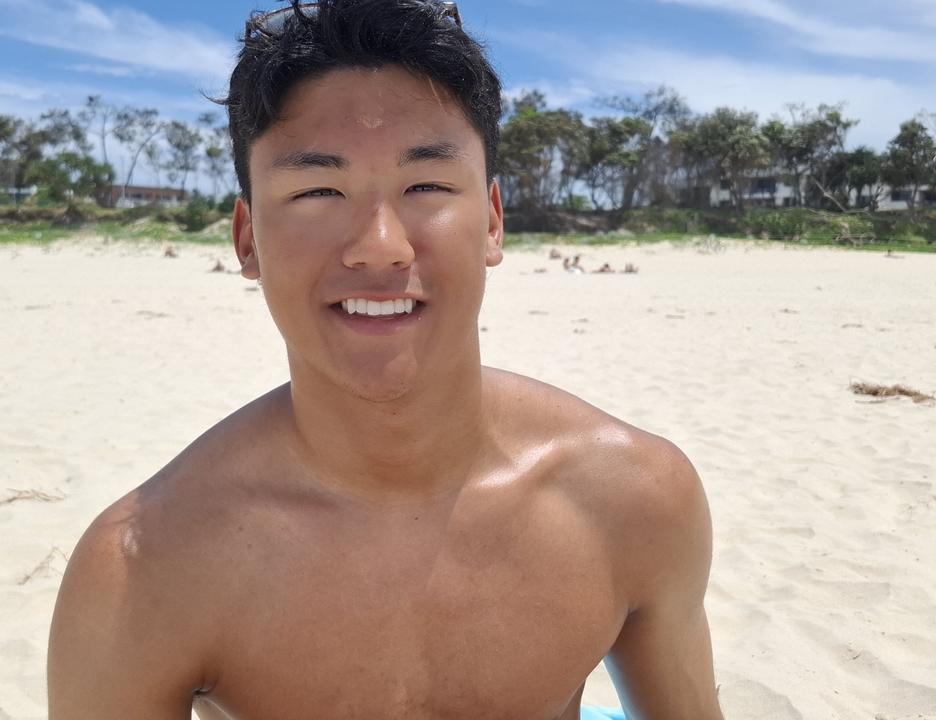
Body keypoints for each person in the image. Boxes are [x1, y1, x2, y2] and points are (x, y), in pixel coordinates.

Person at [47, 2, 723, 718]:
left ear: (492, 220)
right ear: (247, 240)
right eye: (317, 190)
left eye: (426, 186)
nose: (380, 244)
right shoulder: (145, 570)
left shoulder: (633, 501)